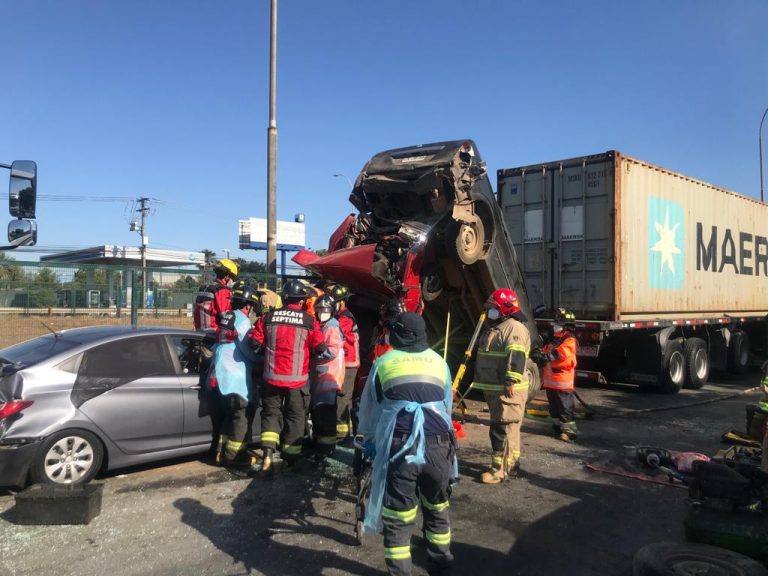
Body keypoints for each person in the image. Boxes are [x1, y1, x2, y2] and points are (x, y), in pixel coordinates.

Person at [358, 312, 456, 576]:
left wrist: (368, 440)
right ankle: (441, 564)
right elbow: (447, 406)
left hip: (401, 449)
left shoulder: (384, 363)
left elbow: (371, 409)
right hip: (439, 446)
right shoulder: (439, 362)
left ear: (397, 333)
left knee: (398, 517)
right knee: (437, 507)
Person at [248, 279, 328, 472]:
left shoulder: (268, 318)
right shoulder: (309, 321)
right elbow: (320, 347)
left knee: (271, 414)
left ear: (284, 298)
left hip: (271, 378)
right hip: (297, 381)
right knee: (295, 417)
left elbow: (254, 343)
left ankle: (267, 454)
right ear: (301, 301)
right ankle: (291, 459)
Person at [472, 288, 531, 484]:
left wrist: (510, 380)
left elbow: (516, 356)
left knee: (503, 429)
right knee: (505, 429)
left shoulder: (514, 328)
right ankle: (510, 465)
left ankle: (500, 470)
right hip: (497, 389)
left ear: (504, 309)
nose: (489, 312)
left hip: (507, 391)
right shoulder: (499, 326)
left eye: (493, 308)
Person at [211, 283, 259, 471]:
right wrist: (259, 358)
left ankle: (220, 452)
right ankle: (236, 457)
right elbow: (247, 348)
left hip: (221, 376)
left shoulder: (226, 317)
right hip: (236, 378)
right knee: (241, 417)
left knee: (228, 416)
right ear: (248, 305)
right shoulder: (242, 320)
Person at [308, 294, 345, 461]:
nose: (322, 312)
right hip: (321, 374)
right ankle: (319, 444)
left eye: (325, 310)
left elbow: (332, 350)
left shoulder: (332, 326)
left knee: (326, 412)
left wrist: (315, 350)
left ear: (332, 311)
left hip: (328, 375)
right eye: (320, 309)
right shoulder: (322, 325)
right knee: (318, 411)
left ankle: (327, 448)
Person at [537, 308, 578, 442]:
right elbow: (547, 350)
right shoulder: (554, 338)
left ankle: (569, 432)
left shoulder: (569, 339)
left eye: (559, 322)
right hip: (551, 382)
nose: (556, 325)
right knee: (554, 407)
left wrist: (548, 356)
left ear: (566, 325)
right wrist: (538, 354)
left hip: (562, 382)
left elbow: (562, 353)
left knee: (565, 407)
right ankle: (557, 428)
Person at [328, 284, 360, 441]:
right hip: (343, 360)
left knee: (343, 396)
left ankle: (344, 434)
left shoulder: (345, 317)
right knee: (340, 395)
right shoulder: (339, 316)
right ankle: (342, 430)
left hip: (349, 362)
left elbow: (338, 334)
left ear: (342, 302)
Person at [193, 258, 239, 332]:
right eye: (232, 278)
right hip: (212, 330)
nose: (232, 281)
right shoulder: (221, 290)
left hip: (199, 329)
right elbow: (225, 315)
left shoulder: (204, 287)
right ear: (227, 277)